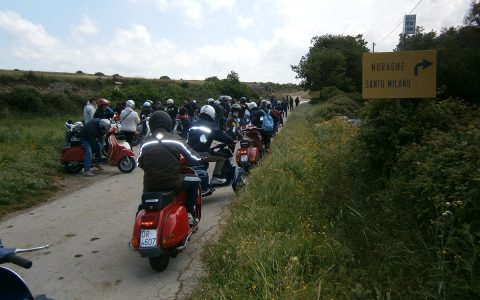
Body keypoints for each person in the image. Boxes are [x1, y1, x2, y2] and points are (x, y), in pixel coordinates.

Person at [137, 110, 204, 224]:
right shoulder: (176, 139)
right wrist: (201, 158)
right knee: (195, 181)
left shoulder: (145, 142)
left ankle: (139, 218)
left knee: (143, 206)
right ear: (169, 123)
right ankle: (188, 213)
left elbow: (140, 163)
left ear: (151, 124)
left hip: (150, 185)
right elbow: (194, 158)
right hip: (172, 182)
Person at [187, 105, 234, 185]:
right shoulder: (210, 125)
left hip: (190, 152)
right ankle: (216, 178)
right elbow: (220, 135)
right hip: (201, 153)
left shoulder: (194, 123)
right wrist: (231, 140)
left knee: (210, 151)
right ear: (212, 114)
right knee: (222, 157)